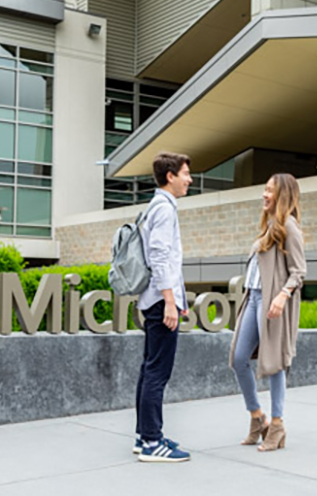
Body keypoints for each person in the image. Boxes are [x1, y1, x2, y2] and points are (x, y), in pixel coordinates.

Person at [230, 173, 306, 451]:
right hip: (253, 298)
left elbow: (299, 272)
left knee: (274, 363)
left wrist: (282, 295)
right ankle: (257, 417)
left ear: (282, 195)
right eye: (264, 189)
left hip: (273, 302)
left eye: (270, 191)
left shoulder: (290, 227)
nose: (264, 194)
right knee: (239, 358)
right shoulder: (269, 226)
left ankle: (276, 424)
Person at [134, 151, 192, 463]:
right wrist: (171, 301)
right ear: (170, 176)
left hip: (156, 299)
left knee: (149, 369)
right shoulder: (164, 209)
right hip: (159, 301)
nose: (189, 179)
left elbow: (168, 260)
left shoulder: (155, 206)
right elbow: (159, 256)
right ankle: (153, 442)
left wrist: (178, 300)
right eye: (185, 173)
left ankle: (145, 435)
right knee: (157, 371)